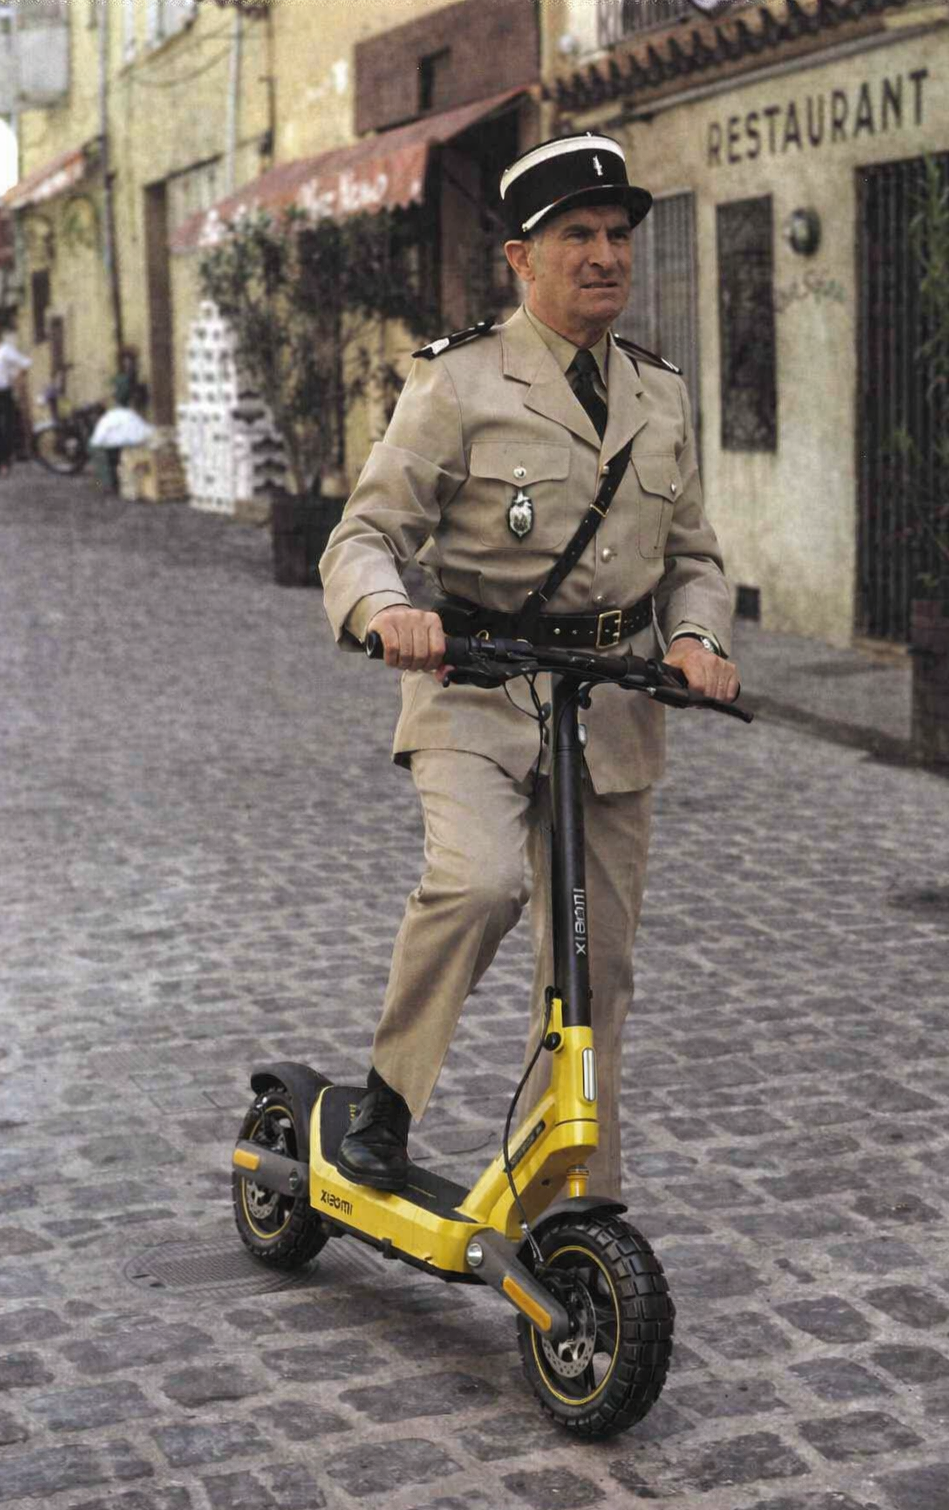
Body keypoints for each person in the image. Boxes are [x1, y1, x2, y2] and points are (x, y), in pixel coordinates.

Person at [319, 133, 740, 1199]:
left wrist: (696, 638)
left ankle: (567, 1202)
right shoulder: (458, 383)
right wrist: (389, 612)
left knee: (594, 970)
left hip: (610, 707)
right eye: (575, 236)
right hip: (477, 687)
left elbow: (692, 557)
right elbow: (362, 536)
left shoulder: (659, 394)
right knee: (480, 882)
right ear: (521, 257)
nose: (604, 255)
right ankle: (387, 1100)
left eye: (616, 235)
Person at [0, 321, 31, 477]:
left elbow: (25, 363)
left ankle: (5, 461)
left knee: (7, 428)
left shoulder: (5, 350)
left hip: (4, 393)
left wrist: (17, 379)